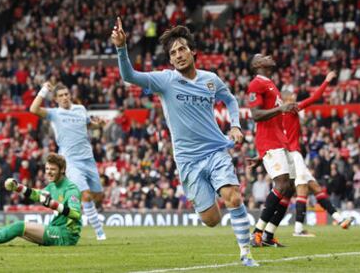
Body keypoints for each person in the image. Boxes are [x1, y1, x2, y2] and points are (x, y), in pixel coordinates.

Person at [111, 18, 258, 267]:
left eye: (182, 49)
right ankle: (213, 199)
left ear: (193, 52)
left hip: (216, 150)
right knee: (211, 219)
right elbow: (128, 75)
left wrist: (235, 125)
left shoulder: (211, 80)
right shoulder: (165, 80)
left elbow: (231, 100)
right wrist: (122, 48)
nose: (178, 55)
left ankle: (246, 252)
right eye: (173, 53)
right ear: (170, 60)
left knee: (233, 197)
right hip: (188, 160)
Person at [30, 82, 106, 240]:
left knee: (97, 195)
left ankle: (65, 206)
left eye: (66, 94)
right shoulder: (54, 113)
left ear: (70, 95)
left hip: (88, 159)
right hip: (70, 160)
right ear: (56, 99)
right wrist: (44, 90)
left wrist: (98, 124)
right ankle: (100, 233)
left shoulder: (81, 109)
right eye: (60, 96)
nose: (64, 97)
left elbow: (88, 125)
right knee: (85, 195)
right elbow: (33, 109)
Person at [0, 153, 82, 247]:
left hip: (66, 235)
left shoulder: (71, 189)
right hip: (56, 229)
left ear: (63, 170)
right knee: (14, 228)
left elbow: (76, 214)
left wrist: (55, 205)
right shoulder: (52, 185)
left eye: (53, 169)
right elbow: (37, 195)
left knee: (19, 226)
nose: (48, 172)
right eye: (47, 169)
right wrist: (17, 187)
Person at [281, 71, 354, 236]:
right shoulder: (292, 109)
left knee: (314, 186)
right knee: (301, 187)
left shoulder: (278, 114)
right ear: (286, 100)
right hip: (294, 154)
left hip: (290, 154)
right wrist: (326, 81)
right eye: (292, 95)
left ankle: (340, 219)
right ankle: (298, 229)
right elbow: (314, 99)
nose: (294, 97)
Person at [246, 54, 299, 247]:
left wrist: (262, 157)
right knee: (282, 184)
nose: (269, 57)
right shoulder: (256, 84)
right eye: (264, 56)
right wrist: (282, 108)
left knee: (290, 187)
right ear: (257, 64)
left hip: (280, 141)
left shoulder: (271, 84)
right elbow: (256, 115)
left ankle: (268, 235)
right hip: (269, 141)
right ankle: (257, 233)